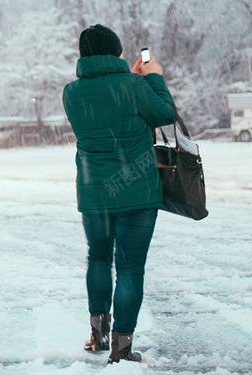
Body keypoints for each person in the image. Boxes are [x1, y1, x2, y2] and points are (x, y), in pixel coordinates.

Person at [62, 24, 175, 363]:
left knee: (98, 259)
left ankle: (97, 334)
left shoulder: (71, 92)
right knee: (129, 268)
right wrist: (152, 76)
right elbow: (165, 113)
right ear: (118, 52)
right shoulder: (134, 84)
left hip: (94, 193)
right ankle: (121, 348)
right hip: (137, 192)